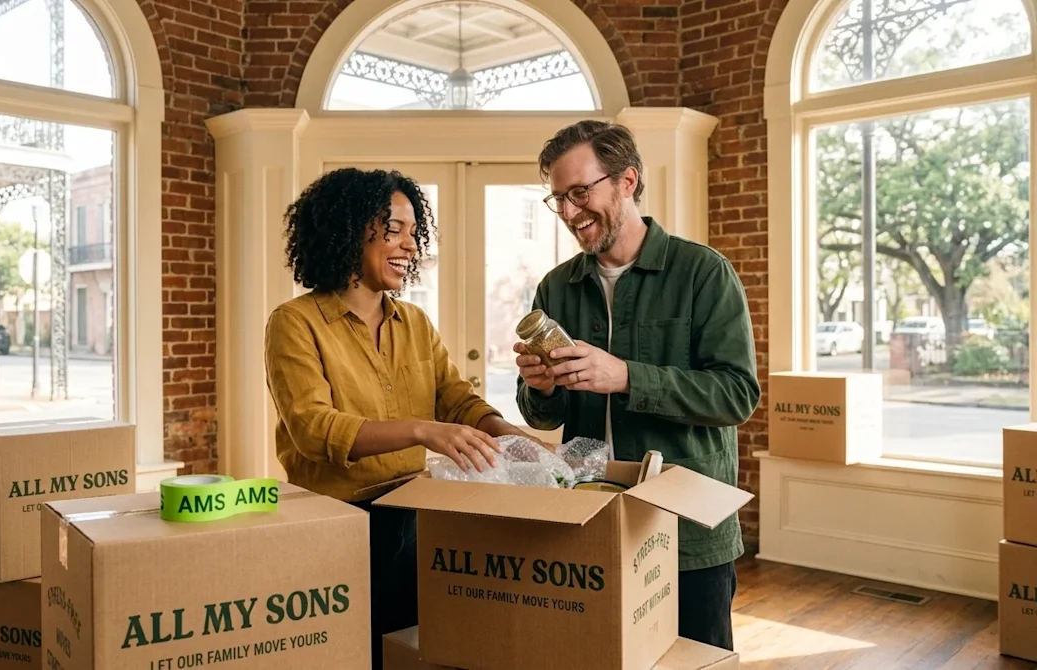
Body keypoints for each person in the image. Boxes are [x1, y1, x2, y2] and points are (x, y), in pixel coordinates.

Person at [264, 167, 531, 670]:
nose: (410, 245)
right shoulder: (294, 323)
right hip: (340, 526)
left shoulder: (415, 323)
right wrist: (422, 430)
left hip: (414, 516)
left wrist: (507, 434)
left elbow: (456, 400)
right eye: (394, 228)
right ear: (349, 228)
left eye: (414, 231)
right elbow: (314, 430)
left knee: (417, 651)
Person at [513, 120, 760, 651]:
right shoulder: (555, 288)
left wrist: (625, 376)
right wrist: (541, 385)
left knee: (696, 661)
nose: (570, 212)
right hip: (589, 521)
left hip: (686, 530)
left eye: (580, 192)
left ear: (627, 181)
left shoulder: (703, 273)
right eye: (558, 198)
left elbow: (737, 395)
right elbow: (542, 418)